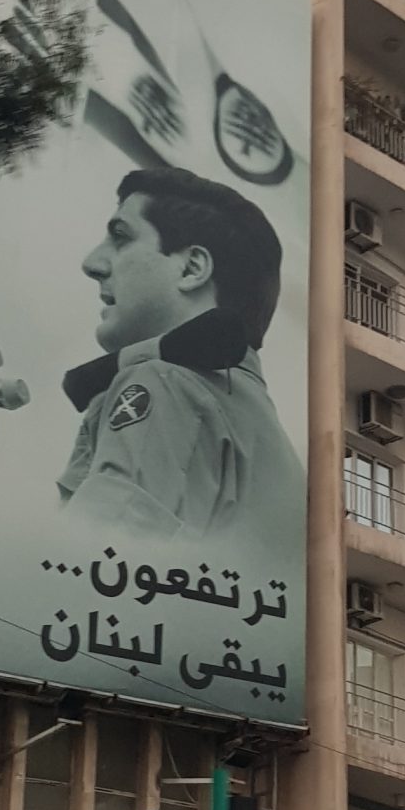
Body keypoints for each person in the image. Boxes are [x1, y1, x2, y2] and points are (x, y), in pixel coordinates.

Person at [58, 167, 304, 543]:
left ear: (191, 268)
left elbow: (94, 558)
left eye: (121, 236)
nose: (92, 263)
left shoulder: (164, 381)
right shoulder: (271, 442)